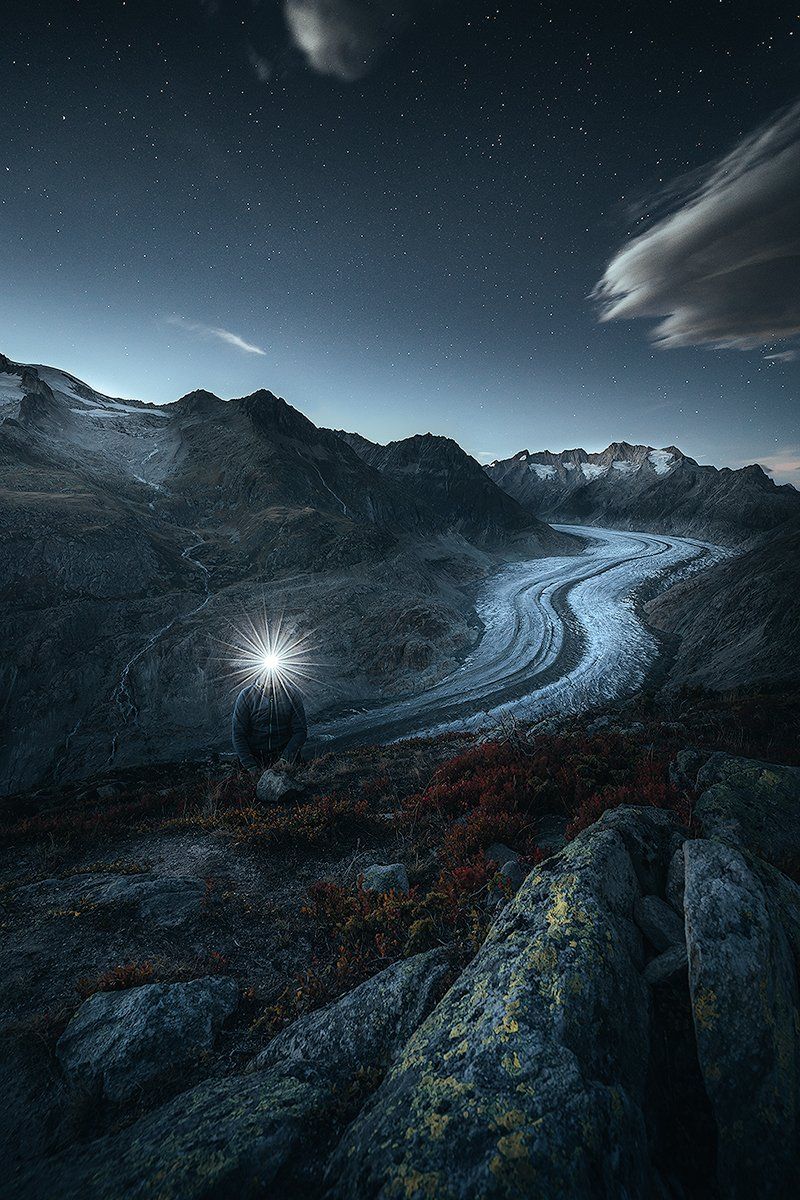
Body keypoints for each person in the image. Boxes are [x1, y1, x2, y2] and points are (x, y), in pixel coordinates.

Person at [231, 675, 307, 774]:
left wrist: (285, 759)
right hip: (255, 758)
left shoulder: (291, 694)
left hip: (284, 756)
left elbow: (300, 730)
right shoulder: (246, 695)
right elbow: (238, 733)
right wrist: (250, 765)